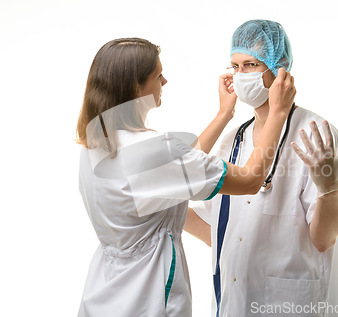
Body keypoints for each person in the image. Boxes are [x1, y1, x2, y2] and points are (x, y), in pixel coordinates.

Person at [75, 37, 296, 317]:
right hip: (149, 300)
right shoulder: (156, 150)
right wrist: (278, 112)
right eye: (158, 75)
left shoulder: (95, 145)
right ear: (135, 87)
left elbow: (176, 169)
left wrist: (223, 115)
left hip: (103, 295)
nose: (165, 82)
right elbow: (251, 180)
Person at [185, 20, 338, 317]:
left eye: (250, 64)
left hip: (291, 304)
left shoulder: (315, 135)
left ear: (279, 68)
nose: (239, 75)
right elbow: (218, 231)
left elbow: (324, 239)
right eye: (234, 66)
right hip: (235, 300)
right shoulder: (234, 139)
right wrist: (163, 199)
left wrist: (329, 190)